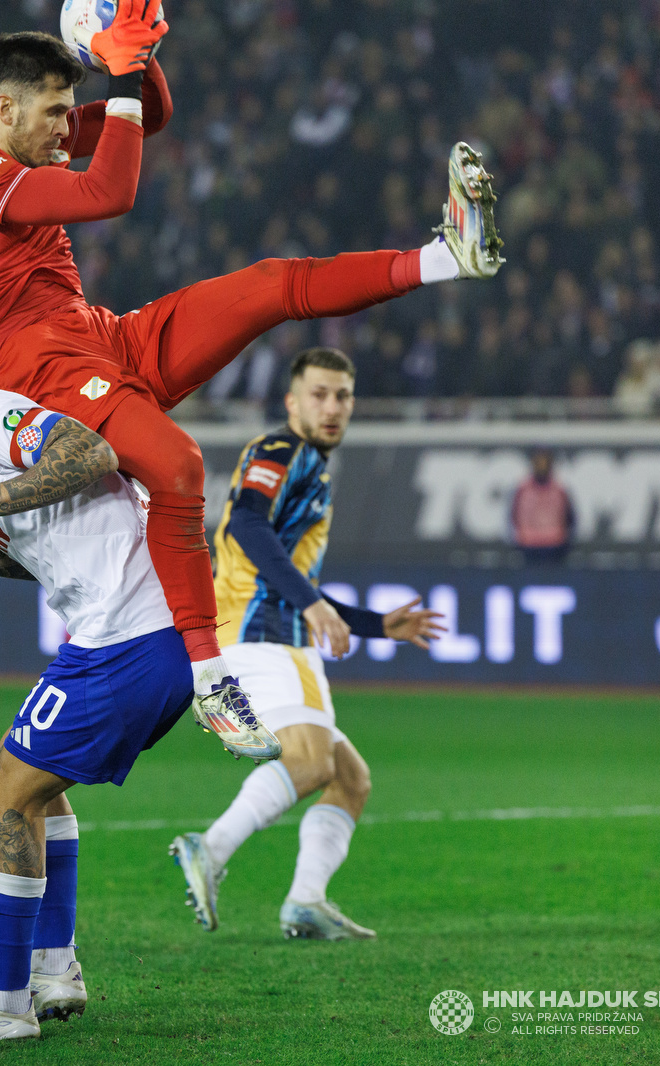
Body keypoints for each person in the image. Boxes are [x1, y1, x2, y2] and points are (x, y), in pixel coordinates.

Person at [0, 17, 502, 735]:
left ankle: (448, 256)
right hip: (33, 366)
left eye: (74, 110)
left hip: (96, 336)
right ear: (4, 110)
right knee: (178, 464)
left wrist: (133, 55)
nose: (69, 129)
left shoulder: (30, 140)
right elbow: (108, 194)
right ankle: (211, 677)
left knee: (271, 284)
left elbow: (151, 114)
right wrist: (121, 73)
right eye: (57, 113)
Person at [0, 392, 279, 1042]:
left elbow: (91, 451)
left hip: (132, 637)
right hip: (108, 638)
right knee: (35, 793)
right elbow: (46, 555)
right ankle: (53, 970)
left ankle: (2, 1005)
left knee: (4, 797)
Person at [169, 348, 445, 941]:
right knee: (312, 762)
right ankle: (209, 849)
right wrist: (314, 606)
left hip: (265, 631)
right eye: (318, 395)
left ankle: (306, 901)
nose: (332, 407)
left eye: (343, 396)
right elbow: (246, 522)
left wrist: (376, 625)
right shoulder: (280, 451)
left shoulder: (311, 466)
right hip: (265, 634)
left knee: (349, 778)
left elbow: (289, 571)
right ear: (292, 401)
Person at [510, 447, 575, 565]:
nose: (541, 465)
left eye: (544, 462)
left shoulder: (559, 490)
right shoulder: (523, 490)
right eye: (538, 462)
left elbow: (570, 518)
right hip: (528, 545)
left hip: (555, 546)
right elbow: (513, 517)